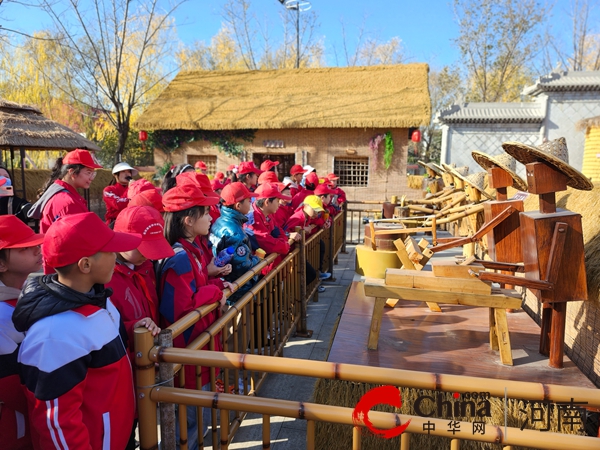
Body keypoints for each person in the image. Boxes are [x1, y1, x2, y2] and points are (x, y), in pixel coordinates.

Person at [13, 212, 142, 450]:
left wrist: (133, 329)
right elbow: (58, 424)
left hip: (115, 437)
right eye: (111, 252)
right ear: (85, 265)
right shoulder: (56, 334)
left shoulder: (97, 299)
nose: (116, 258)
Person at [159, 183, 227, 447]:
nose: (212, 216)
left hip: (199, 347)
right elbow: (182, 309)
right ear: (188, 220)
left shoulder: (193, 250)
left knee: (199, 417)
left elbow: (198, 289)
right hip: (187, 350)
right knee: (188, 421)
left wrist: (215, 287)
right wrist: (214, 291)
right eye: (205, 212)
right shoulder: (180, 257)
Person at [0, 216, 44, 449]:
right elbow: (10, 389)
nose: (38, 250)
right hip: (14, 429)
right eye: (26, 248)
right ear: (1, 265)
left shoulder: (22, 297)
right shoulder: (2, 316)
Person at [28, 149, 101, 236]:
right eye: (88, 173)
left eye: (93, 173)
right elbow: (80, 237)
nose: (91, 178)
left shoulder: (58, 192)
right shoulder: (68, 203)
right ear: (72, 172)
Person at [209, 182, 260, 304]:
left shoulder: (220, 221)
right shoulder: (234, 232)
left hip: (225, 283)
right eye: (248, 201)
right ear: (238, 205)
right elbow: (241, 265)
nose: (251, 203)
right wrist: (257, 260)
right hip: (238, 290)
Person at [283, 195, 328, 292]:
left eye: (318, 210)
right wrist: (302, 230)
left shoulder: (307, 217)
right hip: (291, 254)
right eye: (315, 209)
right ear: (306, 206)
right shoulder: (297, 217)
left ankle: (295, 295)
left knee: (308, 274)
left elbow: (318, 220)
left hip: (298, 252)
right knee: (310, 274)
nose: (317, 213)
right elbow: (285, 232)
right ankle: (294, 295)